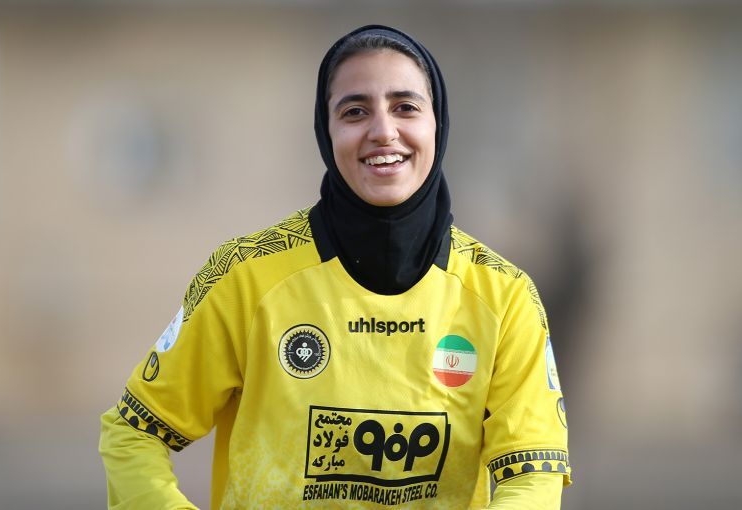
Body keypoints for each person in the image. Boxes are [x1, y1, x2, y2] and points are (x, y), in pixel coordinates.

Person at [99, 25, 571, 509]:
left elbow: (533, 476)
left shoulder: (505, 297)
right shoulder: (245, 277)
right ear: (326, 132)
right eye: (355, 111)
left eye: (406, 107)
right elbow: (133, 433)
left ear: (438, 123)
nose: (383, 131)